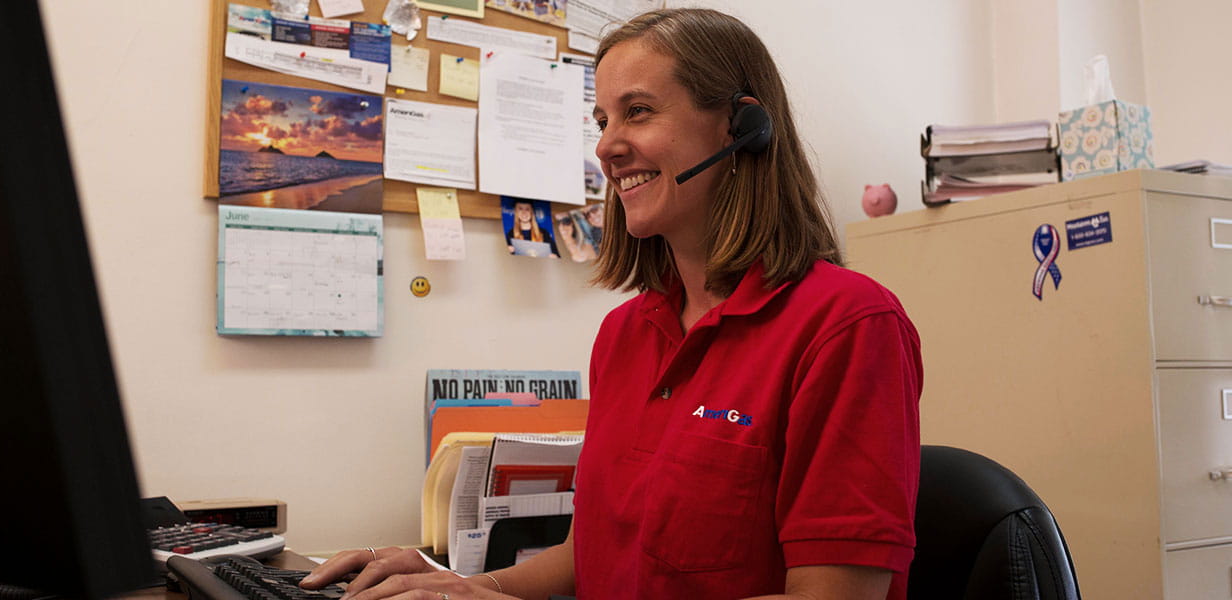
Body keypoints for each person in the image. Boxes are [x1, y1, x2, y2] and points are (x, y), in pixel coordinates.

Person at [301, 8, 921, 600]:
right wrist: (461, 586)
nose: (607, 147)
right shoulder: (626, 333)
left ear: (742, 127)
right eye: (602, 121)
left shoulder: (847, 326)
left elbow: (831, 597)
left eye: (639, 112)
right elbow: (591, 551)